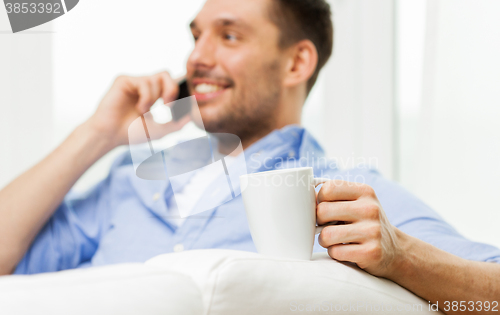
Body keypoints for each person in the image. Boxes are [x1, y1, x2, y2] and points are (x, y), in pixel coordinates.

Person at [0, 0, 498, 311]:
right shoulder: (134, 181)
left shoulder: (344, 194)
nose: (197, 57)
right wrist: (99, 133)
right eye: (197, 35)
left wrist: (401, 255)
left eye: (229, 35)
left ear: (297, 62)